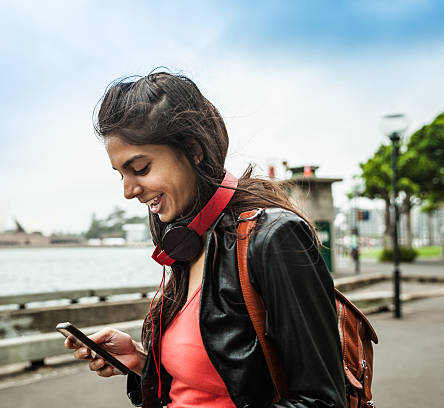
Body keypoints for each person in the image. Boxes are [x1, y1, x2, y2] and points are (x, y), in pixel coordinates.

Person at [64, 71, 346, 408]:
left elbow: (323, 401)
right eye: (121, 174)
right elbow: (207, 386)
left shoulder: (273, 238)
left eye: (140, 169)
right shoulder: (188, 241)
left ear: (193, 150)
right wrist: (141, 363)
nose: (128, 191)